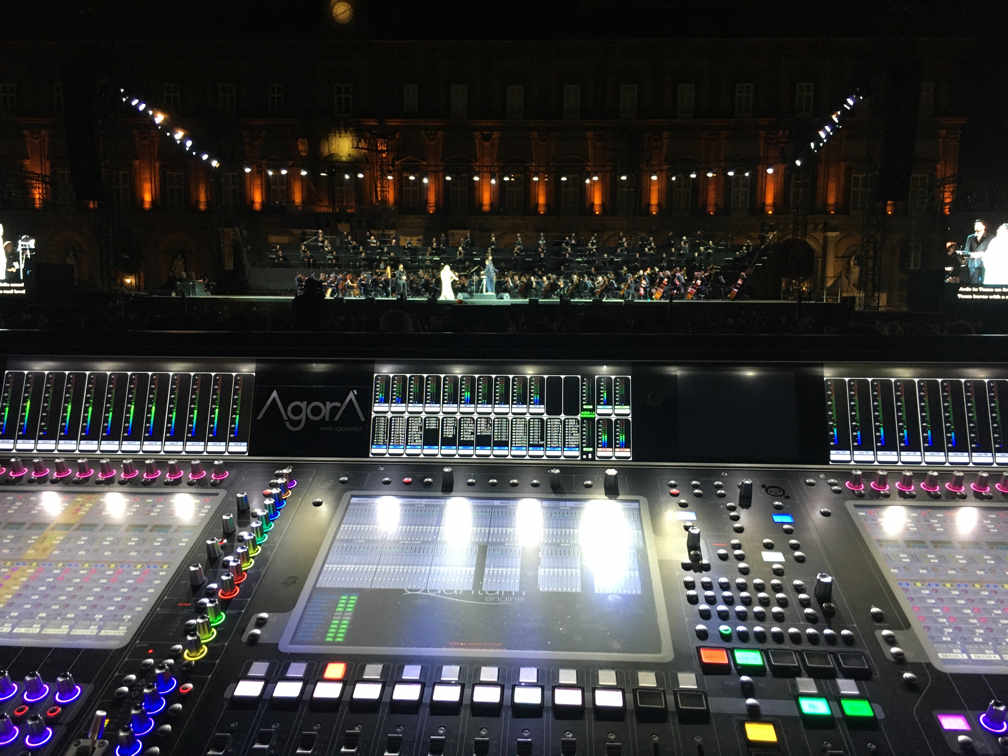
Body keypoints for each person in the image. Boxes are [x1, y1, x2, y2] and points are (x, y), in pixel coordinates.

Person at [964, 219, 992, 284]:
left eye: (978, 225)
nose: (976, 226)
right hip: (973, 266)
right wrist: (969, 255)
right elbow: (966, 251)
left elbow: (993, 252)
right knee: (974, 284)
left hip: (985, 265)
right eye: (975, 225)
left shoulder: (991, 237)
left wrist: (982, 254)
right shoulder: (970, 237)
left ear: (984, 226)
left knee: (985, 284)